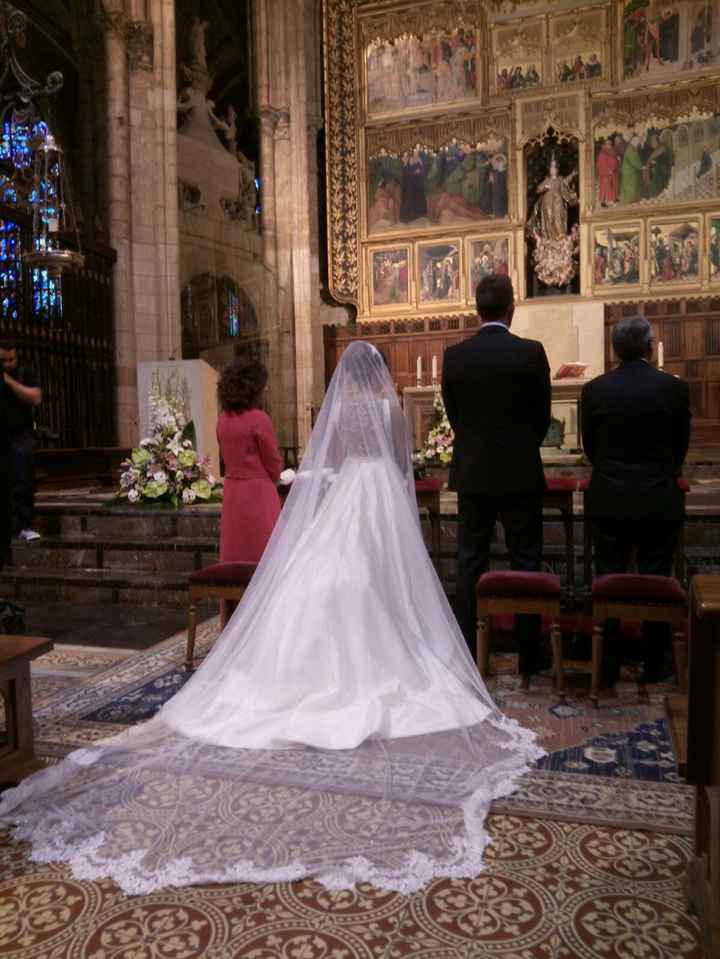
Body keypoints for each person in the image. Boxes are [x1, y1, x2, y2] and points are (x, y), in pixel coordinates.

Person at [0, 341, 541, 894]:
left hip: (347, 493)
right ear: (378, 372)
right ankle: (393, 646)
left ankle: (316, 660)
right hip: (380, 497)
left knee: (332, 577)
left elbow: (323, 461)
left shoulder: (341, 409)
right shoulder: (387, 409)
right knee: (386, 578)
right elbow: (403, 463)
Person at [442, 275, 552, 674]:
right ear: (512, 309)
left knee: (471, 559)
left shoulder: (455, 356)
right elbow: (543, 417)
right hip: (520, 471)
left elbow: (455, 416)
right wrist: (521, 447)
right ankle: (530, 653)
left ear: (477, 309)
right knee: (526, 559)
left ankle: (468, 650)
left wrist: (475, 447)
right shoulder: (531, 353)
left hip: (472, 473)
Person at [581, 316, 691, 684]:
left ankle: (608, 661)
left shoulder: (595, 390)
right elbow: (680, 448)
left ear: (614, 349)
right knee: (657, 579)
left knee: (609, 576)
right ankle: (655, 663)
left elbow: (591, 449)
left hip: (609, 496)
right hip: (658, 498)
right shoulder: (673, 389)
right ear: (648, 347)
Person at [216, 360, 282, 625]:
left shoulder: (222, 421)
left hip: (233, 495)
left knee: (236, 557)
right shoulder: (259, 419)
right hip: (258, 494)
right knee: (265, 557)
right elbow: (273, 461)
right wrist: (277, 478)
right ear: (252, 389)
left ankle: (234, 621)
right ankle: (267, 621)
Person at [1, 342, 42, 542]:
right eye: (3, 361)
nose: (8, 364)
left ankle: (24, 525)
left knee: (23, 478)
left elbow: (35, 397)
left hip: (20, 434)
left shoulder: (24, 374)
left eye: (11, 360)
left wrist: (9, 382)